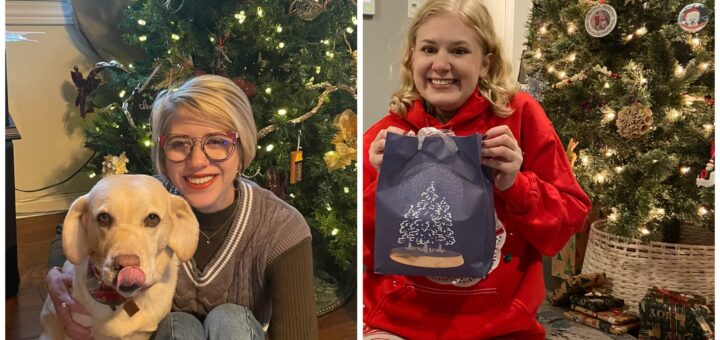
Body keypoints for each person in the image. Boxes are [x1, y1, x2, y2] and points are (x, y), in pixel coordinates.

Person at [363, 0, 592, 339]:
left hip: (500, 324)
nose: (441, 64)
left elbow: (568, 222)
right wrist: (381, 185)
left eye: (458, 51)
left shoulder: (519, 117)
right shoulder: (388, 136)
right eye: (429, 48)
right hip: (400, 320)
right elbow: (365, 248)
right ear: (412, 57)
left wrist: (516, 184)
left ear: (485, 63)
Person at [45, 75, 318, 339]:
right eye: (179, 144)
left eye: (218, 142)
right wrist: (57, 275)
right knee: (179, 326)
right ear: (163, 154)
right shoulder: (148, 198)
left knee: (231, 319)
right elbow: (69, 229)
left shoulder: (281, 227)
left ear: (242, 147)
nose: (198, 161)